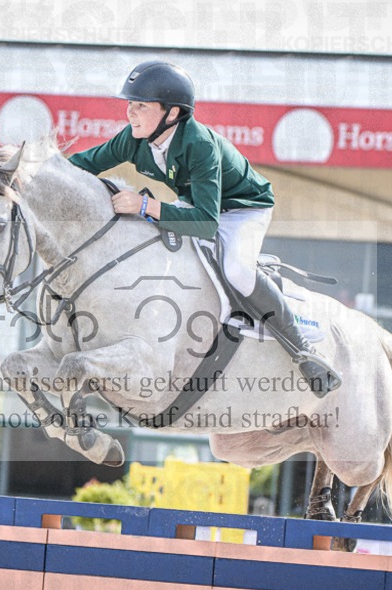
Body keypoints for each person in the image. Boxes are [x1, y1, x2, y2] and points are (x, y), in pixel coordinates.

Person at [68, 60, 341, 397]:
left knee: (237, 271)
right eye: (130, 104)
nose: (130, 112)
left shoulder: (199, 144)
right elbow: (83, 164)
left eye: (141, 105)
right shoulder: (134, 139)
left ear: (171, 114)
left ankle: (303, 352)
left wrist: (144, 206)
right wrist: (39, 172)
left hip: (242, 210)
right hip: (197, 205)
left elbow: (206, 224)